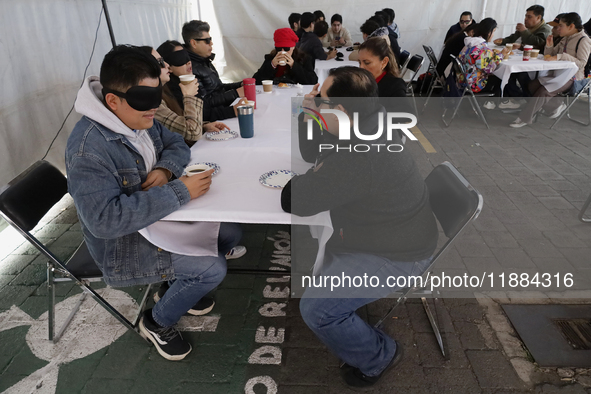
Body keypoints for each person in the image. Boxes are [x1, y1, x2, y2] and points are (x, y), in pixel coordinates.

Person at [65, 45, 243, 361]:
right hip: (123, 244)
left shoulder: (137, 115)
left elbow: (176, 142)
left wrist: (165, 169)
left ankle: (173, 285)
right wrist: (179, 192)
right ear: (112, 101)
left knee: (230, 233)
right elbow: (104, 222)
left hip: (156, 218)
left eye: (157, 95)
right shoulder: (87, 150)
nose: (155, 108)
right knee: (211, 268)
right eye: (146, 100)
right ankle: (156, 321)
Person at [282, 66, 438, 390]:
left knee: (318, 310)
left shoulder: (359, 153)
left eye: (321, 97)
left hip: (397, 253)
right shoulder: (369, 117)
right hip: (388, 229)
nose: (314, 99)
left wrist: (316, 171)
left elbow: (293, 199)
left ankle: (380, 355)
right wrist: (310, 112)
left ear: (339, 109)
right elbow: (312, 153)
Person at [510, 13, 591, 128]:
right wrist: (549, 46)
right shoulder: (566, 38)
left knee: (544, 91)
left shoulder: (583, 40)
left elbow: (582, 63)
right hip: (558, 73)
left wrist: (561, 56)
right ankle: (555, 106)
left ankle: (525, 118)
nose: (558, 28)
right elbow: (551, 56)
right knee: (532, 85)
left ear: (571, 26)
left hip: (573, 77)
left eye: (561, 26)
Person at [141, 43, 228, 146]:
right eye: (160, 62)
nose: (167, 65)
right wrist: (189, 97)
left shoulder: (165, 92)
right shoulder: (152, 103)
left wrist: (204, 126)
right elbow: (192, 132)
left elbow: (180, 122)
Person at [182, 20, 246, 120]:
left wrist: (240, 85)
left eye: (210, 39)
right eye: (207, 40)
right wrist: (236, 93)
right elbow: (204, 103)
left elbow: (219, 88)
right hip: (216, 119)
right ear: (194, 43)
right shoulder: (190, 69)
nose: (211, 43)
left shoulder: (204, 60)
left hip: (223, 112)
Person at [458, 18, 509, 109]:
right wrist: (501, 55)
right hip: (474, 83)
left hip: (462, 79)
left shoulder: (470, 43)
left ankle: (485, 103)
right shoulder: (482, 48)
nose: (493, 35)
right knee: (502, 76)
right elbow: (490, 69)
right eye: (493, 32)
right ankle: (491, 102)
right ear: (489, 32)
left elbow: (479, 62)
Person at [252, 28, 318, 85]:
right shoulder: (271, 57)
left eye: (286, 49)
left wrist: (294, 65)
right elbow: (256, 80)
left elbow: (312, 81)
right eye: (279, 49)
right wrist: (272, 65)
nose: (282, 51)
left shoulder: (304, 58)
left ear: (293, 47)